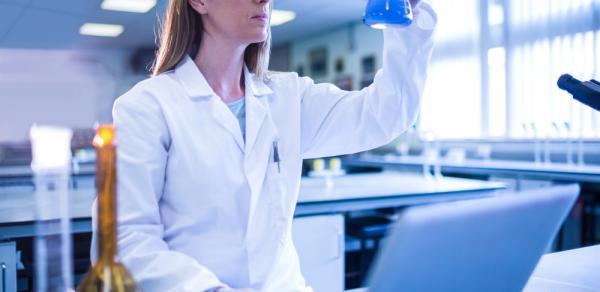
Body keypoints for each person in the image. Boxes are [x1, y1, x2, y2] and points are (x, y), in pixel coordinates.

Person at [90, 0, 437, 291]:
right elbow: (125, 241)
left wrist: (411, 19)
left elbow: (385, 115)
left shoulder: (287, 97)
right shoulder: (147, 106)